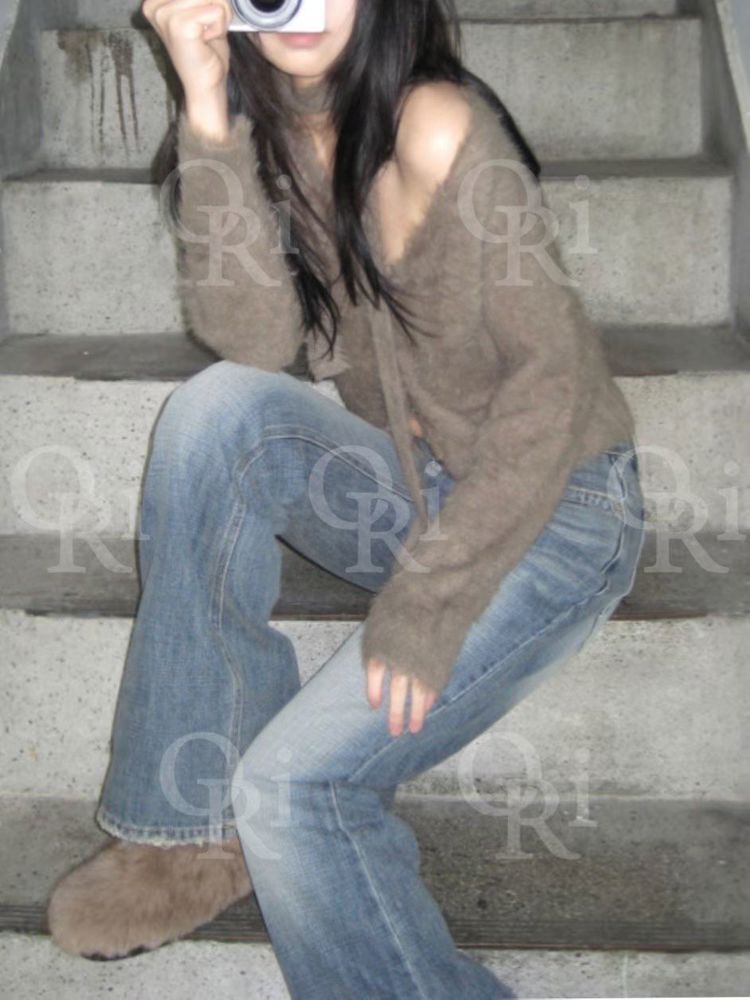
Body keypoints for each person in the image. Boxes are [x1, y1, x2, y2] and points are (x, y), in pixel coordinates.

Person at [46, 1, 646, 996]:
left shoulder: (438, 124)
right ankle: (192, 837)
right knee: (219, 411)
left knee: (293, 787)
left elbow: (555, 386)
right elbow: (253, 342)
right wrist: (207, 107)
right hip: (425, 486)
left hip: (561, 506)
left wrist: (429, 601)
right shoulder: (284, 136)